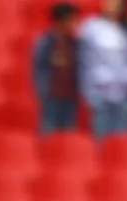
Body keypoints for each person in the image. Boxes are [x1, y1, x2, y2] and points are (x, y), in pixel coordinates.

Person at [79, 0, 127, 140]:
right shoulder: (92, 28)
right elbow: (85, 63)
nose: (112, 6)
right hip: (101, 93)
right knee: (101, 139)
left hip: (124, 94)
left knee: (122, 140)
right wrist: (88, 92)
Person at [32, 3, 84, 136]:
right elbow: (39, 68)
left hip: (70, 97)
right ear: (60, 21)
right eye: (71, 20)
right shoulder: (45, 42)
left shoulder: (74, 43)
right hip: (51, 96)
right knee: (48, 135)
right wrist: (42, 92)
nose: (74, 24)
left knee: (67, 136)